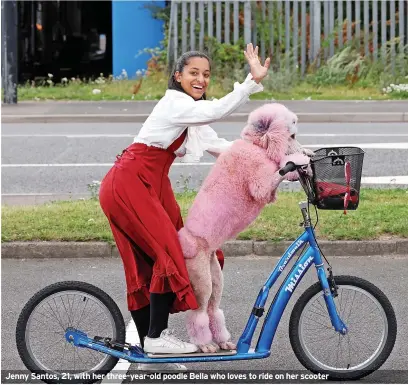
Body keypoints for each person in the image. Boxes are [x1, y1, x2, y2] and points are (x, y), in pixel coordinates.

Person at [98, 43, 270, 372]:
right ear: (178, 76)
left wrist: (274, 162)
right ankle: (156, 337)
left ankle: (148, 345)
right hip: (131, 181)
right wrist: (251, 82)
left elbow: (223, 147)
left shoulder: (191, 115)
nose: (201, 79)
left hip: (152, 183)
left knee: (180, 252)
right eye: (194, 73)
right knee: (170, 253)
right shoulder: (175, 103)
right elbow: (216, 110)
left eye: (206, 75)